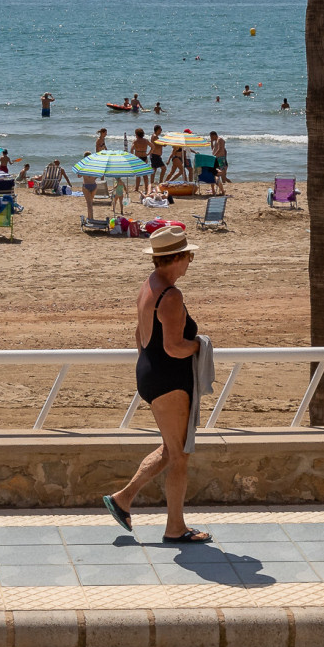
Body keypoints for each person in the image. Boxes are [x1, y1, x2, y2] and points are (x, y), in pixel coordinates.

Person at [101, 224, 206, 543]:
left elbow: (139, 334)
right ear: (176, 258)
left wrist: (149, 366)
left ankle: (122, 499)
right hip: (168, 381)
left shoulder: (149, 285)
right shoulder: (171, 295)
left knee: (170, 449)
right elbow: (174, 347)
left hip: (150, 373)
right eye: (188, 257)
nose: (190, 262)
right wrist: (201, 346)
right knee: (180, 456)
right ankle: (175, 528)